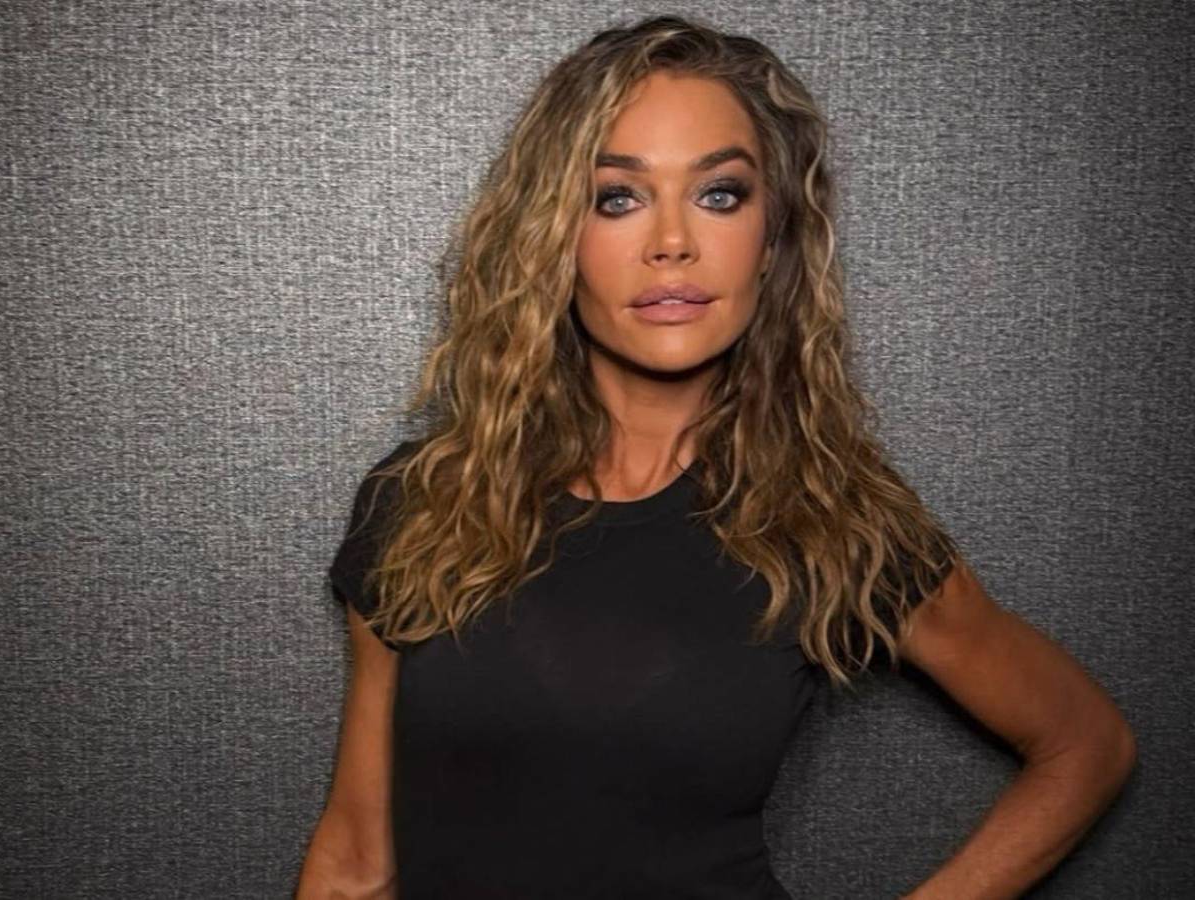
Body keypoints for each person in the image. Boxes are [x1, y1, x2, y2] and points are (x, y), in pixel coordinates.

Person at [296, 14, 1136, 900]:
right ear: (554, 237)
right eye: (617, 198)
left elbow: (1087, 744)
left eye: (720, 195)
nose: (672, 242)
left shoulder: (828, 514)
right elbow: (355, 862)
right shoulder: (425, 499)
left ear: (773, 239)